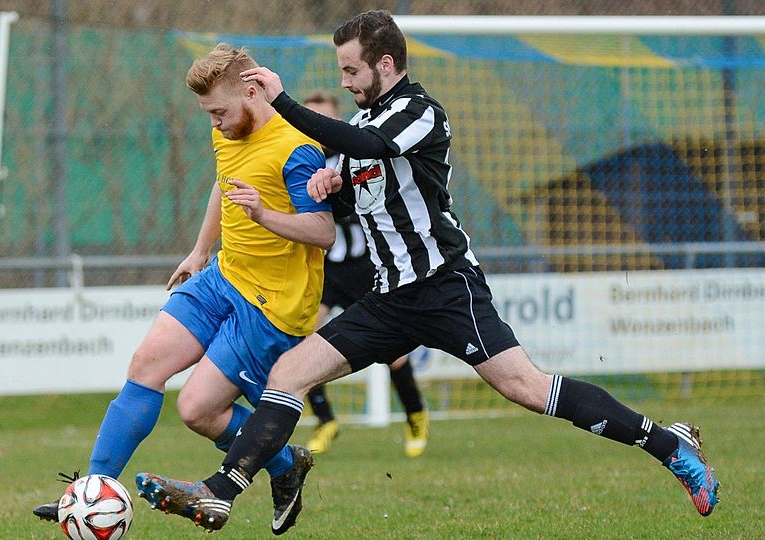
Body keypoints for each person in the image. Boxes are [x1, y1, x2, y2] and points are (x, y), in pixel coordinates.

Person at [134, 11, 722, 533]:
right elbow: (356, 181)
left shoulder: (418, 112)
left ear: (384, 63)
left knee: (527, 388)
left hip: (445, 288)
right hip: (389, 299)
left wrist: (284, 104)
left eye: (350, 70)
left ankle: (668, 444)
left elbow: (366, 142)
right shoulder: (362, 131)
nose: (343, 81)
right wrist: (329, 185)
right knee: (288, 373)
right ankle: (218, 494)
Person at [33, 43, 335, 536]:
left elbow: (323, 232)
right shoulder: (228, 131)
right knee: (145, 365)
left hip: (270, 306)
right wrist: (199, 252)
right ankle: (91, 492)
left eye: (219, 111)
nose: (214, 123)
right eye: (208, 114)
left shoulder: (296, 148)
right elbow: (225, 181)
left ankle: (284, 466)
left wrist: (264, 214)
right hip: (223, 274)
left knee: (197, 410)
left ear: (253, 91)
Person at [302, 91, 430, 457]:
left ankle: (416, 415)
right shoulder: (299, 159)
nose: (318, 127)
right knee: (303, 344)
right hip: (327, 271)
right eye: (312, 119)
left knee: (394, 352)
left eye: (325, 118)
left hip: (364, 268)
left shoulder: (352, 155)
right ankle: (326, 421)